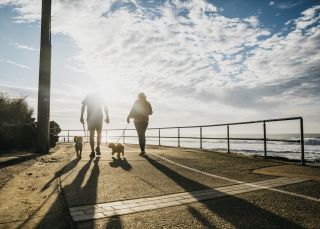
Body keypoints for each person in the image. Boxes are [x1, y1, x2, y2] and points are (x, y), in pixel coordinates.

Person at [80, 93, 109, 157]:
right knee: (99, 133)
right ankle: (98, 147)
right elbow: (105, 106)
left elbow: (83, 106)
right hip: (98, 118)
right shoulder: (100, 96)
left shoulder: (88, 96)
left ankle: (93, 151)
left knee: (91, 135)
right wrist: (107, 116)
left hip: (91, 118)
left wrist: (81, 116)